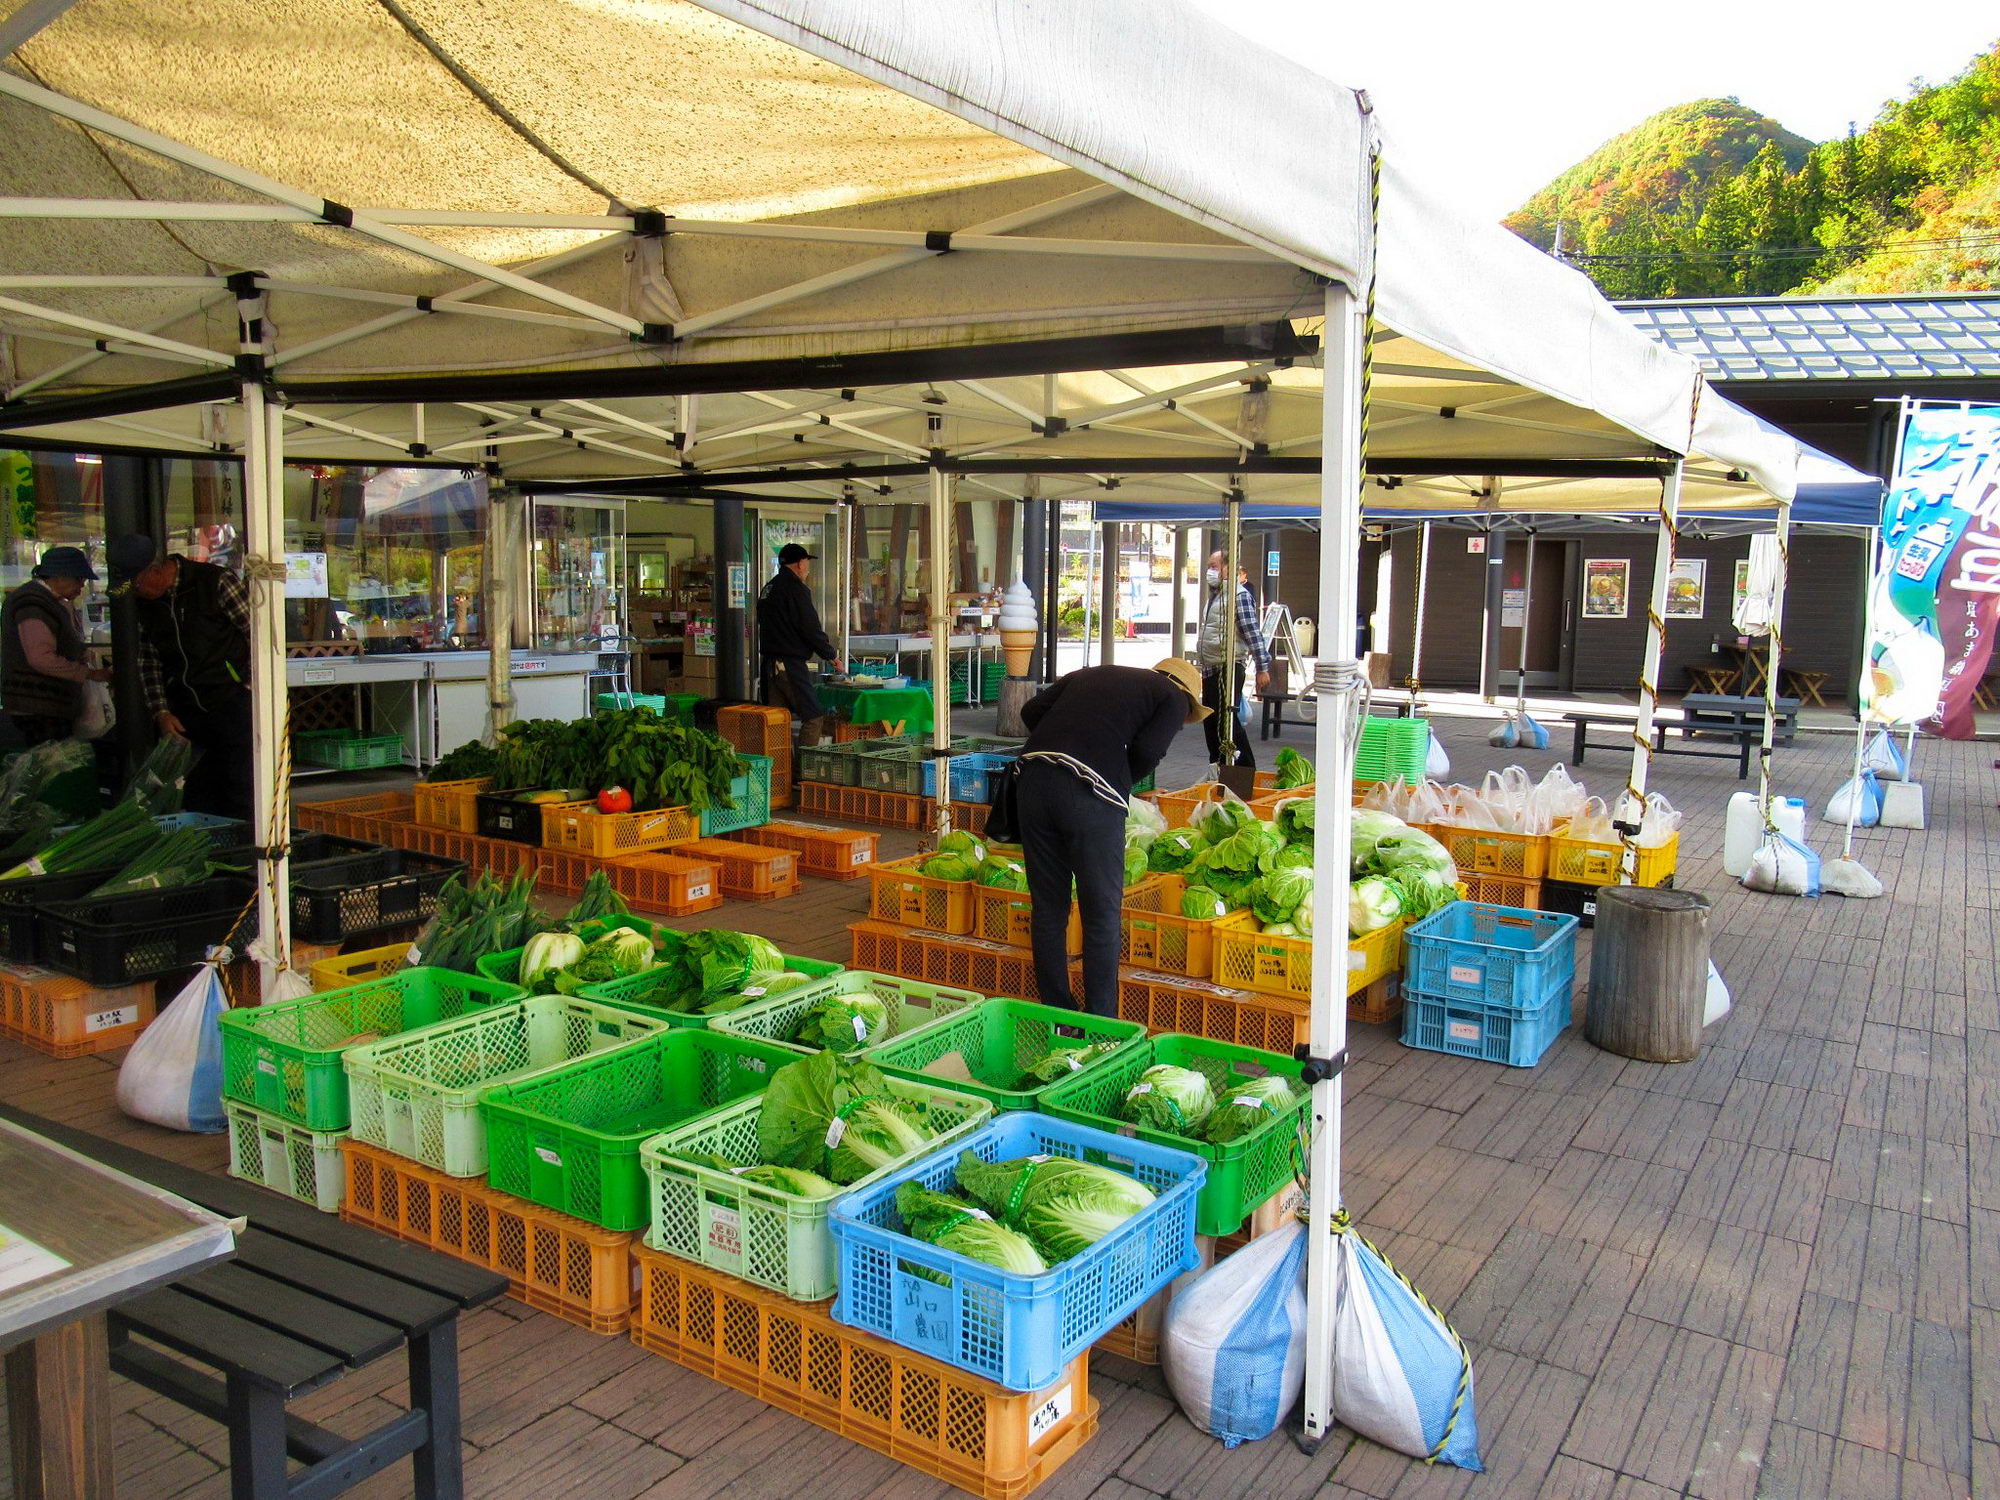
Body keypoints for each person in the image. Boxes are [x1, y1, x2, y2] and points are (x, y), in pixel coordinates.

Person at [1015, 658, 1208, 1016]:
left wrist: (1068, 741)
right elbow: (1149, 751)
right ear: (1186, 695)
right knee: (1101, 913)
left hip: (1031, 781)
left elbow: (1030, 711)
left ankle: (1058, 1013)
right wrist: (1118, 779)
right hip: (1089, 796)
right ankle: (1102, 1022)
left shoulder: (1093, 674)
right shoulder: (1172, 697)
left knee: (1049, 908)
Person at [108, 534, 251, 823]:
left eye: (135, 584)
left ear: (155, 571)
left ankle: (244, 846)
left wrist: (247, 687)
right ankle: (208, 845)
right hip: (187, 713)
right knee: (197, 792)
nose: (135, 593)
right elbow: (149, 660)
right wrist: (161, 711)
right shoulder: (147, 605)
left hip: (233, 703)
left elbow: (258, 634)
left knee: (241, 789)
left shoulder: (215, 582)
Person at [0, 546, 112, 745]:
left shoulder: (50, 601)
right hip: (39, 705)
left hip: (45, 704)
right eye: (79, 578)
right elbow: (41, 658)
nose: (82, 585)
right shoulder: (33, 603)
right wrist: (87, 673)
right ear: (59, 576)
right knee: (51, 758)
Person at [757, 542, 841, 744]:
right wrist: (831, 655)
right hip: (789, 665)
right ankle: (805, 763)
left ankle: (777, 764)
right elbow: (809, 627)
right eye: (806, 562)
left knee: (776, 720)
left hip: (769, 664)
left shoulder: (769, 588)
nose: (808, 568)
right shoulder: (796, 589)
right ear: (800, 564)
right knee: (813, 716)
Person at [1197, 550, 1271, 772]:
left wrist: (1262, 667)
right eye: (1209, 566)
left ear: (1228, 568)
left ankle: (1244, 770)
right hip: (1211, 667)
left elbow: (1252, 633)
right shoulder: (1217, 595)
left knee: (1226, 721)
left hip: (1228, 666)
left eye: (1214, 566)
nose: (1210, 571)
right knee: (1212, 720)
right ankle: (1219, 767)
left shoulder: (1239, 596)